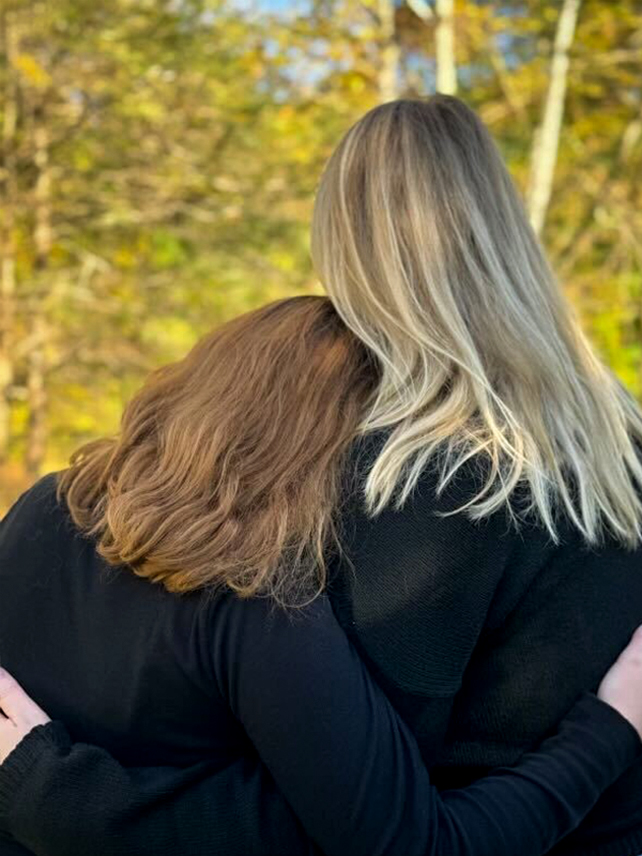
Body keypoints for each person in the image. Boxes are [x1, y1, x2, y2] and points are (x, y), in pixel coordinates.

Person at [2, 94, 642, 856]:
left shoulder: (382, 486)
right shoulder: (622, 444)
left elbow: (356, 827)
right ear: (506, 227)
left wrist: (52, 793)